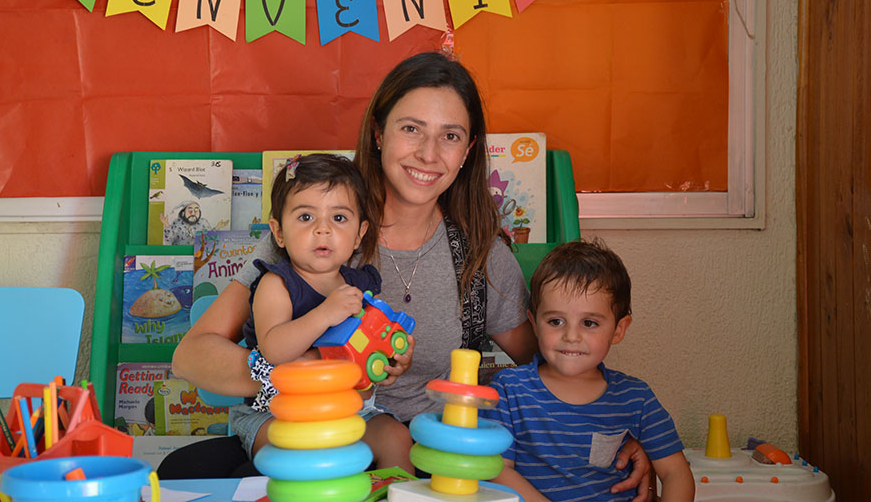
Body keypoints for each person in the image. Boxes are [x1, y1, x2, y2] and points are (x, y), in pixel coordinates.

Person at [167, 51, 652, 499]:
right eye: (411, 129)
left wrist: (615, 429)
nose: (428, 153)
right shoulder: (315, 230)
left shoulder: (482, 254)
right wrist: (310, 373)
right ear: (379, 133)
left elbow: (558, 365)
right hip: (304, 431)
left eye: (450, 136)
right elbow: (191, 357)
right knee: (185, 473)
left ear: (468, 150)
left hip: (423, 454)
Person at [481, 240, 694, 502]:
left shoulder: (636, 397)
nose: (571, 336)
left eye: (589, 323)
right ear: (534, 324)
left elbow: (676, 473)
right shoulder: (508, 390)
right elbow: (496, 471)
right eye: (556, 321)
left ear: (619, 329)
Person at [239, 152, 412, 471]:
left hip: (349, 410)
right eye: (306, 217)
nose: (323, 230)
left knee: (396, 438)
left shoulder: (360, 286)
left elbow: (366, 349)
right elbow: (274, 350)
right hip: (279, 412)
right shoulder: (277, 284)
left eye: (339, 218)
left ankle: (397, 493)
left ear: (360, 234)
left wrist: (390, 360)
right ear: (278, 232)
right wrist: (324, 314)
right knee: (299, 455)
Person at [161, 201, 228, 245]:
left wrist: (217, 227)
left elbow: (208, 240)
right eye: (190, 210)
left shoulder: (203, 222)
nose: (193, 213)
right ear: (183, 213)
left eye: (196, 210)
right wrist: (166, 224)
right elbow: (168, 241)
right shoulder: (177, 222)